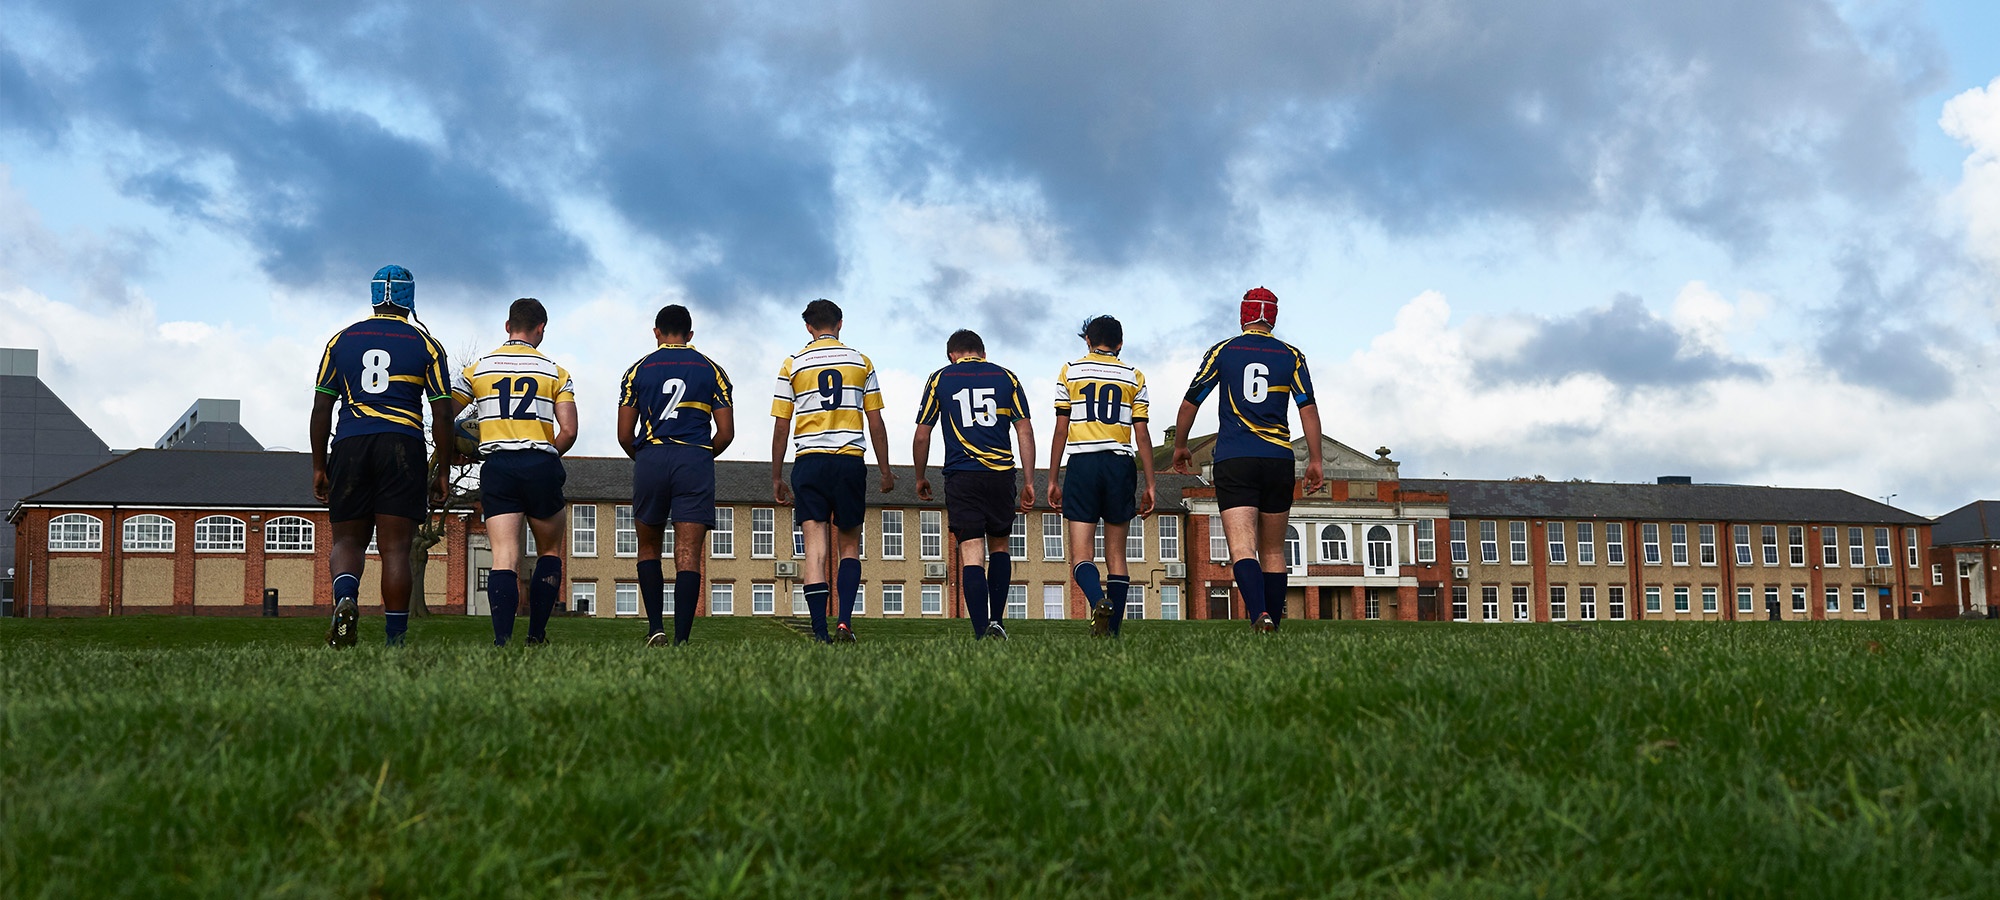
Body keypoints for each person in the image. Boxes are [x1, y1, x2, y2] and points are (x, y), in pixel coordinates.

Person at [310, 265, 453, 648]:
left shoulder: (340, 341)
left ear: (374, 296)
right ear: (410, 300)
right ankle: (395, 640)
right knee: (395, 549)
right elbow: (442, 412)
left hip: (350, 444)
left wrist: (319, 466)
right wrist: (442, 469)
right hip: (401, 446)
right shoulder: (427, 345)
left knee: (347, 542)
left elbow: (322, 408)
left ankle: (345, 598)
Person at [1171, 287, 1324, 632]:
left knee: (1243, 546)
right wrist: (1315, 459)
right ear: (1273, 317)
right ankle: (1274, 623)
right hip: (1278, 459)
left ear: (1243, 315)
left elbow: (1189, 403)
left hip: (1235, 458)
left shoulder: (1223, 351)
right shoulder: (1292, 355)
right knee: (1272, 550)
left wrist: (1181, 445)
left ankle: (1260, 615)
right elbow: (1308, 409)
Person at [450, 298, 578, 647]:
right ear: (541, 330)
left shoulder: (477, 369)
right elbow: (568, 430)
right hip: (540, 464)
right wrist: (547, 455)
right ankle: (536, 635)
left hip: (499, 466)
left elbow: (446, 413)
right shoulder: (556, 372)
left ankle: (502, 640)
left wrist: (456, 449)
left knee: (504, 555)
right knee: (549, 552)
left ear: (508, 326)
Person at [770, 299, 895, 644]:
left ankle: (820, 631)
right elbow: (875, 422)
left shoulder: (792, 365)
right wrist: (885, 470)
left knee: (815, 551)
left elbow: (781, 426)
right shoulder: (861, 361)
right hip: (848, 461)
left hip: (809, 461)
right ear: (840, 324)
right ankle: (844, 622)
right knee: (849, 547)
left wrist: (776, 475)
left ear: (808, 327)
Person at [616, 304, 735, 646]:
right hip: (694, 460)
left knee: (648, 546)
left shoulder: (636, 370)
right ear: (690, 334)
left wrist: (644, 458)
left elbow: (624, 434)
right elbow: (725, 432)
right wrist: (700, 454)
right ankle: (682, 639)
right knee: (688, 552)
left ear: (656, 332)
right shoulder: (712, 370)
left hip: (651, 457)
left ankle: (656, 628)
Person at [913, 329, 1036, 640]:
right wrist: (1030, 479)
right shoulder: (1007, 377)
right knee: (999, 546)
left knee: (972, 553)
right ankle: (998, 622)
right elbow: (1025, 431)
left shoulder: (940, 379)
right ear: (982, 351)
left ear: (952, 355)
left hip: (962, 474)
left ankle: (981, 631)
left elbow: (922, 433)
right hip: (1000, 474)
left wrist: (920, 476)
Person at [1047, 315, 1156, 637]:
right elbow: (1143, 434)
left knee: (1081, 555)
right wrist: (1150, 484)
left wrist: (1053, 479)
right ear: (1120, 344)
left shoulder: (1070, 371)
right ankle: (1113, 632)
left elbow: (1060, 429)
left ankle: (1098, 601)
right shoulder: (1135, 376)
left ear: (1087, 341)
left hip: (1083, 463)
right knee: (1117, 556)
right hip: (1120, 465)